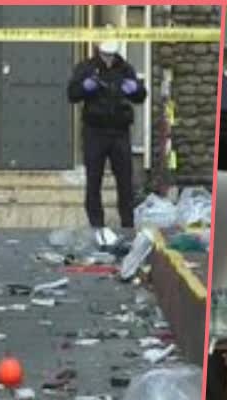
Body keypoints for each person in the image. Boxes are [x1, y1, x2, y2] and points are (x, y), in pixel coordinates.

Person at [67, 39, 147, 246]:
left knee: (125, 183)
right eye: (106, 55)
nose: (109, 58)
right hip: (95, 131)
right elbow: (72, 94)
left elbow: (140, 96)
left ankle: (128, 227)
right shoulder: (86, 68)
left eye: (111, 55)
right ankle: (97, 227)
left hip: (120, 132)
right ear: (99, 50)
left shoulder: (126, 68)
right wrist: (85, 88)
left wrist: (136, 90)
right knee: (94, 181)